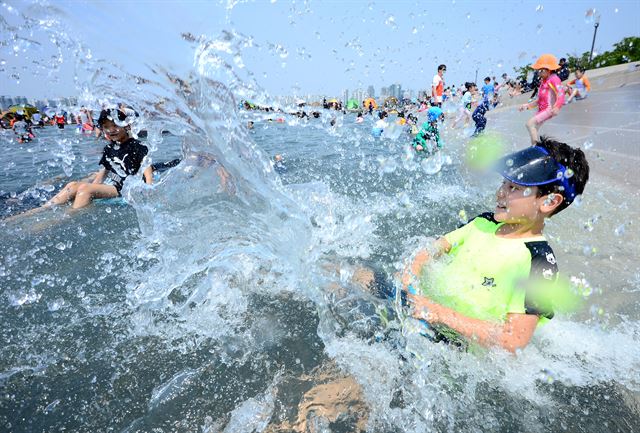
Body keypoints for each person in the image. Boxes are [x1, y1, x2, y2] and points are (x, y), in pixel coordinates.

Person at [401, 137, 589, 352]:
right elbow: (434, 248)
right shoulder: (484, 223)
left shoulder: (537, 262)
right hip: (423, 313)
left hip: (455, 347)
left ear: (548, 202)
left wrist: (438, 313)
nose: (500, 192)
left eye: (514, 188)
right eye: (504, 183)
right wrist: (411, 271)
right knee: (362, 276)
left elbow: (512, 340)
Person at [39, 109, 152, 210]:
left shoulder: (136, 146)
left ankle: (69, 215)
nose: (111, 130)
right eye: (106, 127)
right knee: (72, 185)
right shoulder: (109, 148)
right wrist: (93, 186)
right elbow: (103, 173)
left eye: (115, 125)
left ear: (126, 125)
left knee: (85, 189)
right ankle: (42, 209)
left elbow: (146, 166)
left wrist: (149, 187)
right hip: (114, 185)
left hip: (124, 188)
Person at [519, 54, 565, 145]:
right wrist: (527, 106)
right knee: (534, 128)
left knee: (530, 124)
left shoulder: (554, 79)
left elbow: (561, 94)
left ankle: (536, 148)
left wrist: (557, 107)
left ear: (548, 70)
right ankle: (535, 146)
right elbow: (539, 100)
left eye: (541, 70)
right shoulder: (544, 81)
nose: (539, 72)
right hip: (542, 110)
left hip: (549, 109)